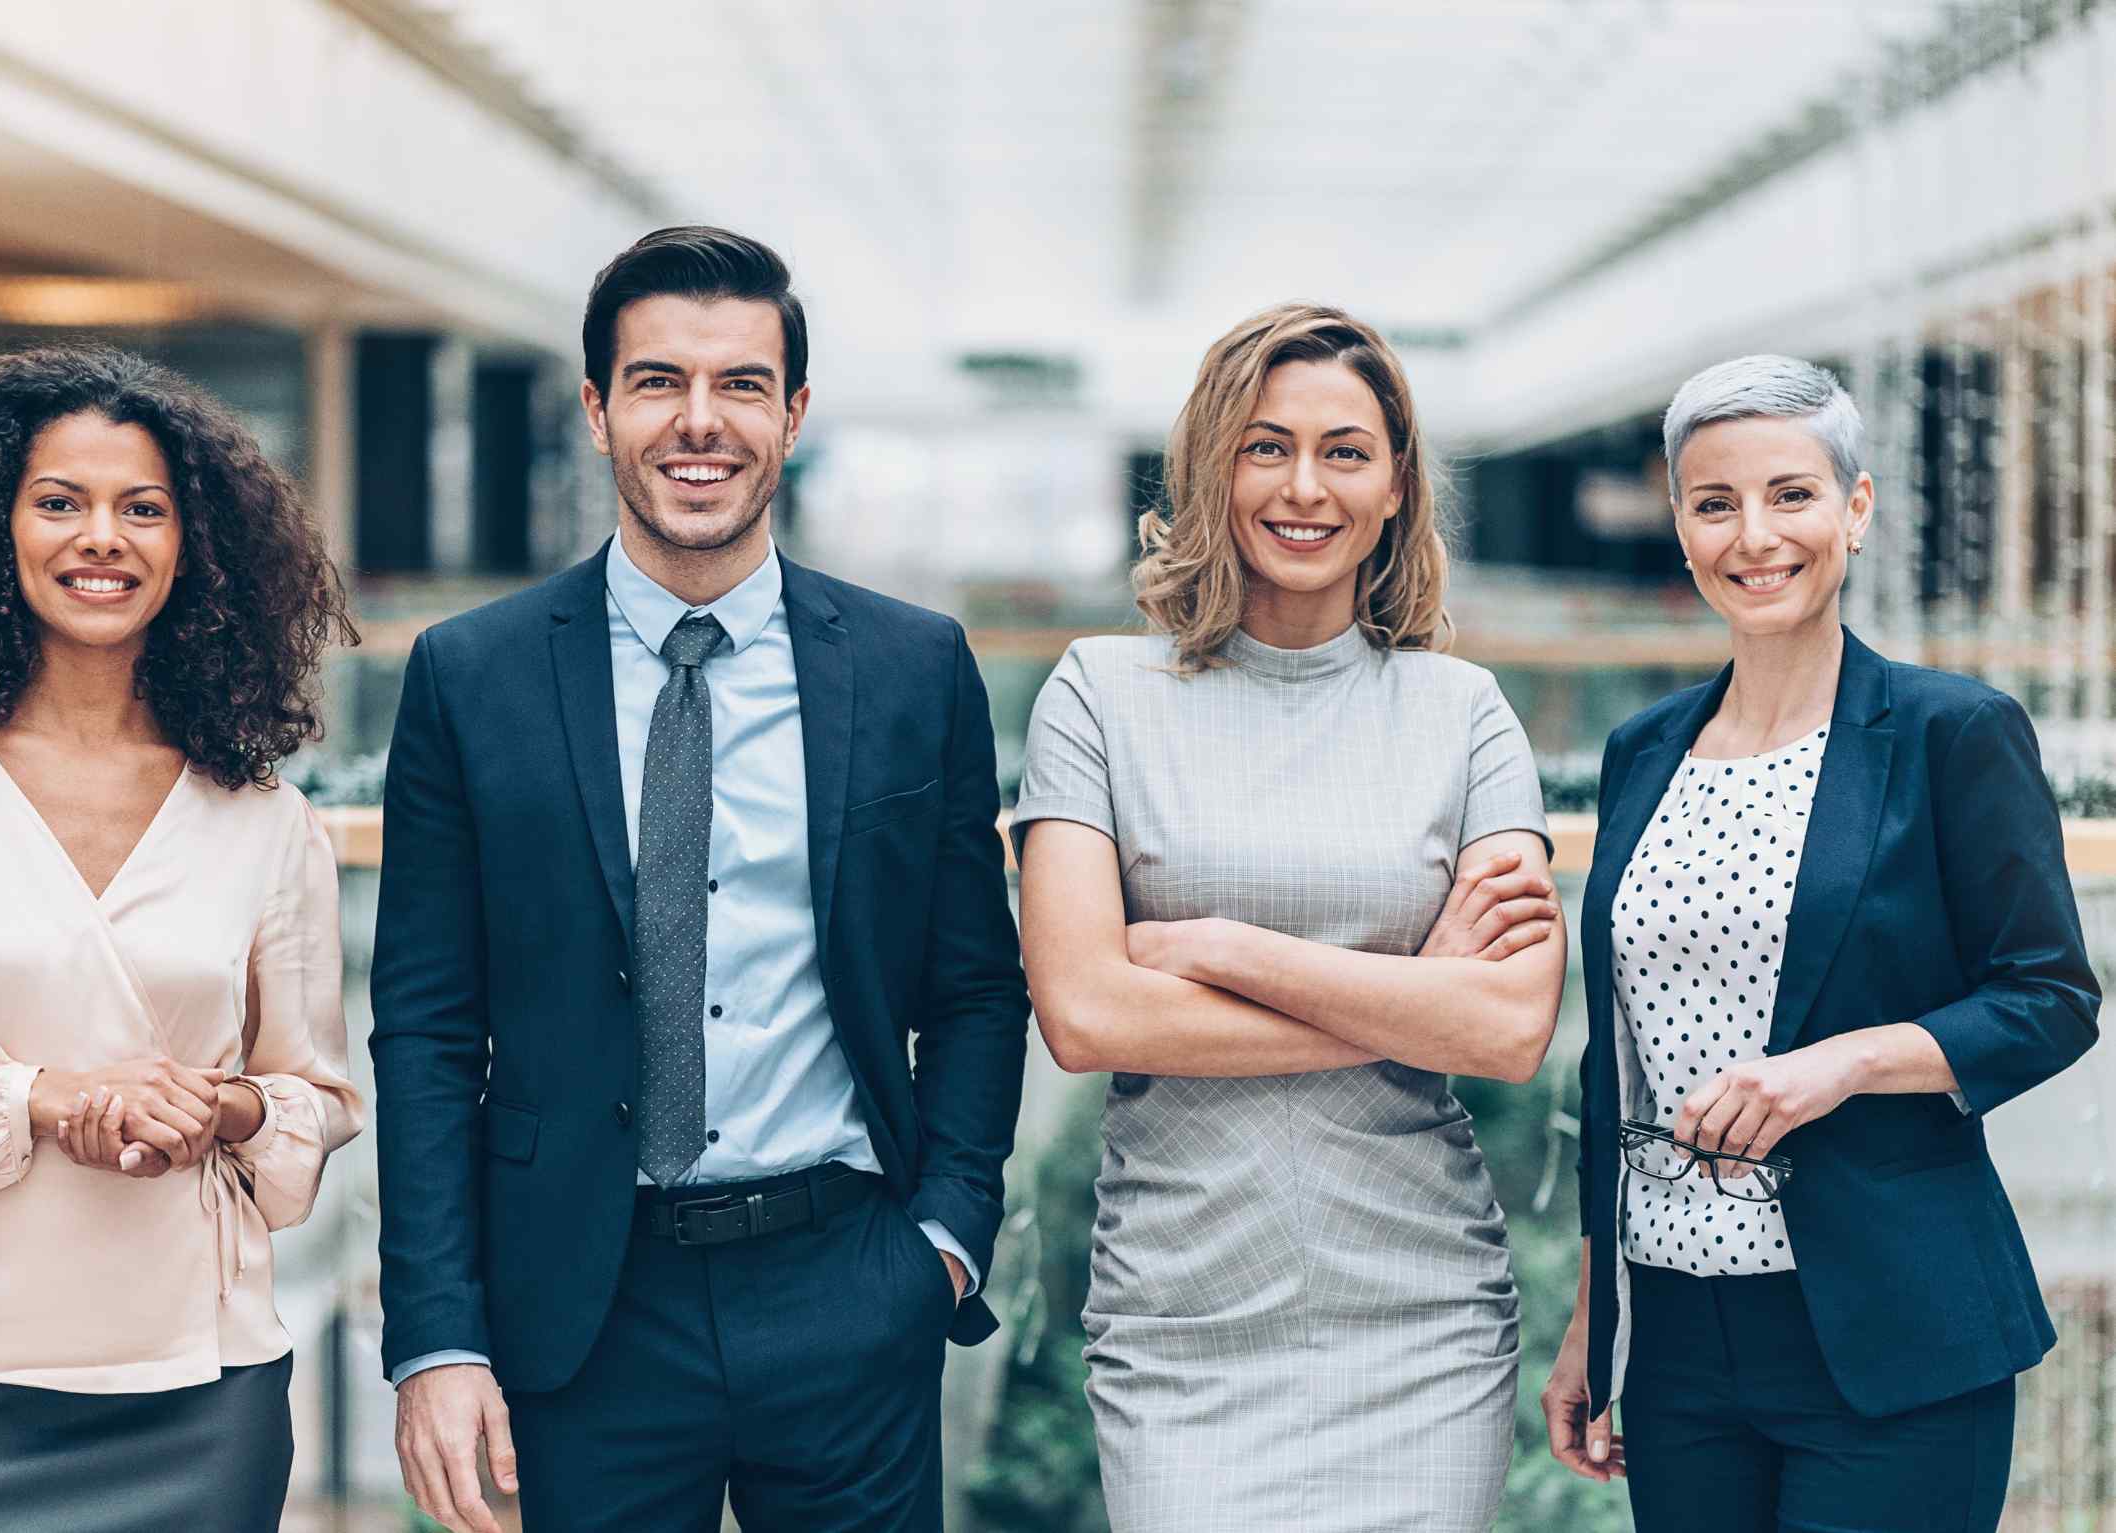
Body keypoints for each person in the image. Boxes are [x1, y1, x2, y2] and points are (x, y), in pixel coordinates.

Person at [371, 226, 1029, 1533]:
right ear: (596, 409)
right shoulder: (471, 675)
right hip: (580, 1303)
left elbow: (973, 987)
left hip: (848, 1282)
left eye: (740, 384)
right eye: (658, 381)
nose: (699, 422)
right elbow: (429, 1030)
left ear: (792, 415)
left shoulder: (912, 669)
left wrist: (944, 1243)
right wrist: (436, 1334)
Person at [0, 345, 366, 1533]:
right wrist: (40, 1099)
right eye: (59, 503)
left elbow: (315, 1095)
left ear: (194, 546)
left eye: (143, 509)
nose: (102, 538)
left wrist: (219, 1108)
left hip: (199, 1386)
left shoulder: (262, 815)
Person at [1014, 303, 1567, 1532]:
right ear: (1212, 467)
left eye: (1345, 452)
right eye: (1266, 447)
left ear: (1396, 485)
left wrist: (1213, 950)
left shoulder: (1466, 712)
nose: (1304, 487)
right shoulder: (1098, 696)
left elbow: (1508, 1030)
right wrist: (1411, 999)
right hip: (1181, 1321)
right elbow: (1088, 1016)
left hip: (1424, 1320)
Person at [1539, 354, 2100, 1532]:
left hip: (1892, 1333)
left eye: (1791, 495)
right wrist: (1600, 1315)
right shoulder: (1642, 751)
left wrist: (1840, 1065)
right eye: (1715, 503)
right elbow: (1619, 1061)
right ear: (1683, 530)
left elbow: (2048, 997)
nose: (1755, 536)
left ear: (1856, 508)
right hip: (1677, 1341)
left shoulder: (1955, 731)